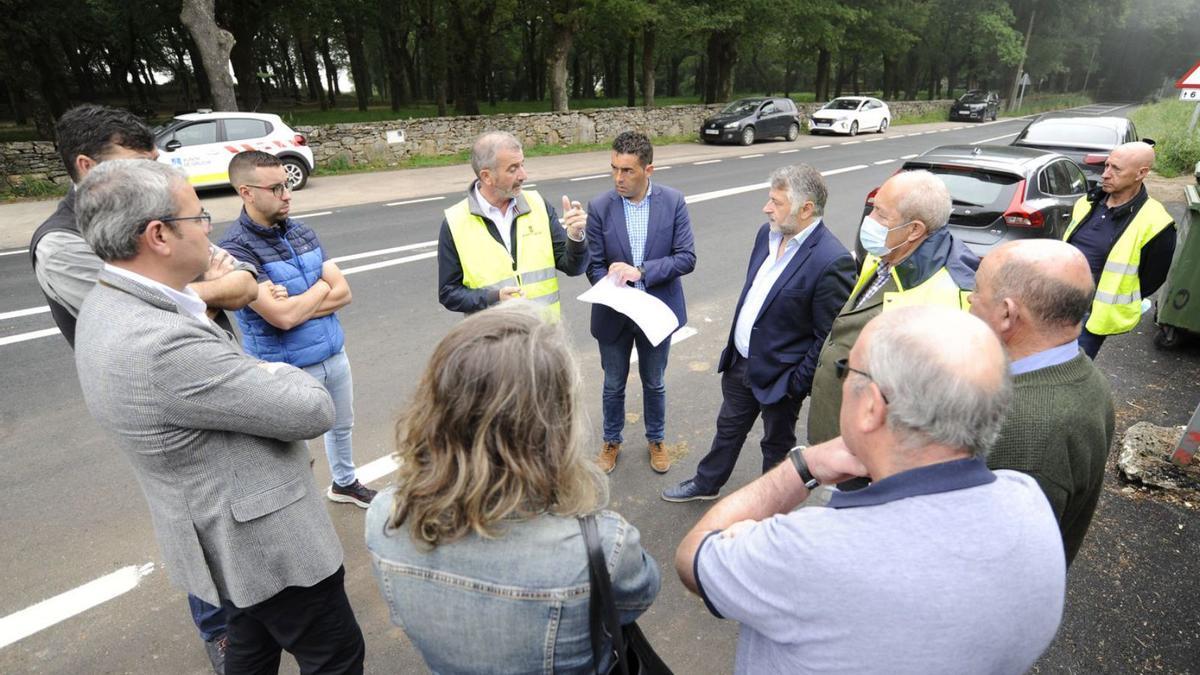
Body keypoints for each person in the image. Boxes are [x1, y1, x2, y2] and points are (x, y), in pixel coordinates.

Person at [72, 159, 365, 674]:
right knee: (335, 656)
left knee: (250, 652)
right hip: (265, 546)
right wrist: (268, 366)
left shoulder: (110, 302)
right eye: (198, 218)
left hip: (221, 541)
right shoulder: (161, 342)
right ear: (158, 235)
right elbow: (312, 408)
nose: (210, 230)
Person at [675, 306, 1065, 673]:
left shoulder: (807, 549)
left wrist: (802, 466)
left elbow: (693, 557)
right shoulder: (1028, 498)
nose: (842, 380)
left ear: (873, 407)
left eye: (847, 370)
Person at [28, 104, 258, 673]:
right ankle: (223, 637)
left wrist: (198, 278)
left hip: (208, 367)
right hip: (156, 395)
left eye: (157, 163)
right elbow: (157, 306)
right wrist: (205, 281)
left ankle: (253, 618)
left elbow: (232, 274)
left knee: (244, 505)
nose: (157, 179)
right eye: (138, 164)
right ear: (86, 166)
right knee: (195, 516)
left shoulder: (154, 215)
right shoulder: (61, 242)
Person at [366, 302, 660, 674]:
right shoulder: (601, 545)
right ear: (554, 424)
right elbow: (639, 595)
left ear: (437, 406)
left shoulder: (386, 515)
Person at [663, 165, 853, 502]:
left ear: (806, 209)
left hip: (781, 378)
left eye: (776, 202)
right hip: (742, 365)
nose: (767, 208)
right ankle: (706, 484)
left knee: (776, 444)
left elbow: (828, 337)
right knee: (727, 430)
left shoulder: (830, 260)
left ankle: (774, 503)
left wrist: (796, 384)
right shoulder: (765, 236)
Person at [219, 151, 376, 509]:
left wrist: (300, 299)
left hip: (332, 352)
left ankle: (345, 483)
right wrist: (321, 288)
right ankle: (301, 505)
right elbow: (281, 319)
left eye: (286, 185)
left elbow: (344, 292)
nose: (287, 194)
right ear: (246, 192)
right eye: (275, 188)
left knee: (341, 426)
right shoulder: (236, 249)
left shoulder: (303, 232)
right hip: (287, 367)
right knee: (293, 445)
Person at [970, 239, 1116, 565]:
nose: (970, 299)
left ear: (1007, 314)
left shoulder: (1026, 432)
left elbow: (990, 561)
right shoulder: (1083, 374)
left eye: (977, 290)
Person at [806, 169, 978, 445]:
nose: (869, 220)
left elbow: (940, 405)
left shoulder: (952, 296)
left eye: (881, 215)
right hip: (841, 431)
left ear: (914, 230)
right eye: (873, 209)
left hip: (876, 452)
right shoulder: (885, 255)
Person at [587, 131, 696, 474]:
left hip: (656, 312)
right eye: (614, 169)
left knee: (654, 381)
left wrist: (641, 272)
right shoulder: (600, 206)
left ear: (648, 170)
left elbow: (686, 258)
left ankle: (657, 439)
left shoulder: (674, 201)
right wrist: (610, 286)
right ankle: (611, 440)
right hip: (613, 314)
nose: (619, 178)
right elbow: (592, 264)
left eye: (628, 171)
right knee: (612, 383)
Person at [436, 131, 588, 319]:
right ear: (487, 176)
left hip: (543, 336)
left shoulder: (537, 204)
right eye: (513, 169)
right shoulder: (455, 221)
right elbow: (449, 293)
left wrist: (575, 237)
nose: (523, 175)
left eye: (522, 165)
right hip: (494, 341)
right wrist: (494, 298)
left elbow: (574, 268)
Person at [1063, 141, 1176, 358]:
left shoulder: (1157, 222)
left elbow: (1152, 279)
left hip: (1092, 315)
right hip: (1057, 302)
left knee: (1066, 374)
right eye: (1106, 166)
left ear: (1140, 173)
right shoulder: (1087, 203)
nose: (1105, 174)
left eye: (1115, 169)